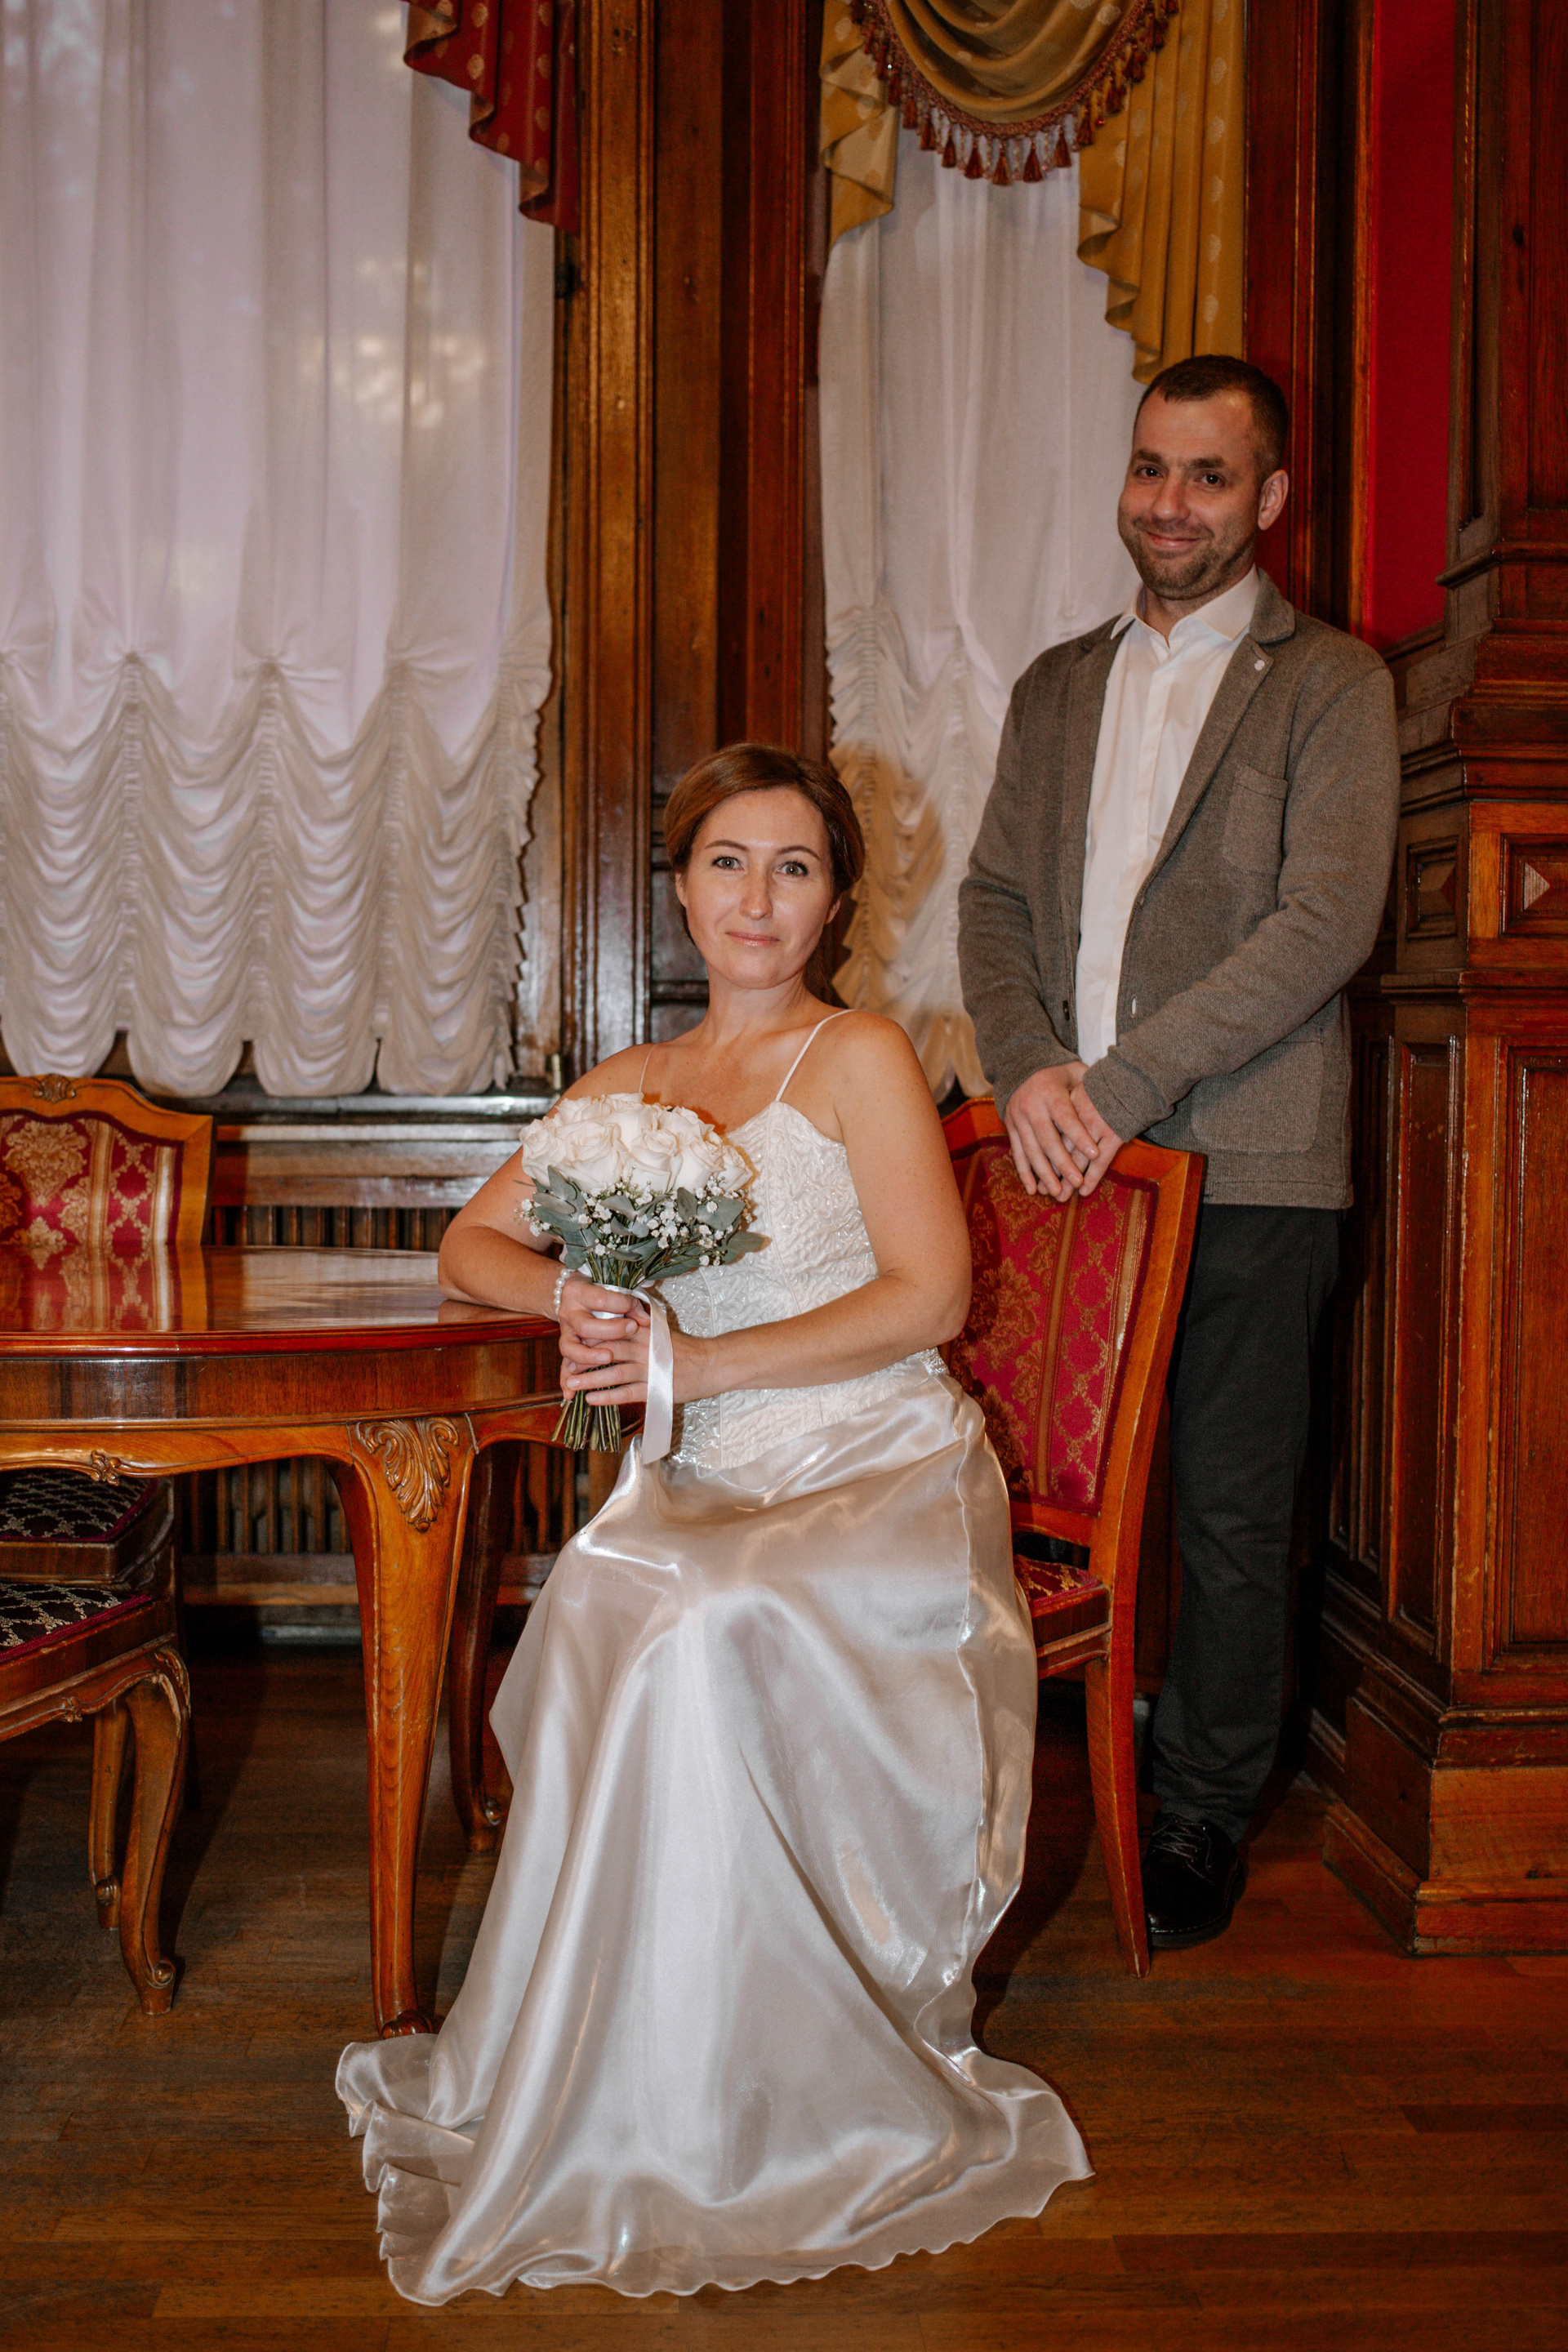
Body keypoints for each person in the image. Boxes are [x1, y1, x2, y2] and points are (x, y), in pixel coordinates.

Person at [336, 743, 1089, 2303]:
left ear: (834, 902)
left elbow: (931, 1299)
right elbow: (468, 1248)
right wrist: (576, 1296)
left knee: (688, 1612)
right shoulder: (630, 1091)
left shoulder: (861, 1055)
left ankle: (764, 2080)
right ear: (680, 891)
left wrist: (698, 1362)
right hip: (710, 1475)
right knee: (609, 1585)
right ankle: (616, 2049)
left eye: (795, 867)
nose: (759, 897)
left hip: (876, 1465)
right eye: (729, 863)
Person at [958, 355, 1400, 1954]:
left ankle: (1205, 1806)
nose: (1170, 502)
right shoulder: (1055, 685)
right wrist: (1029, 1074)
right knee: (1019, 1497)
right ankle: (1002, 1785)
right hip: (1061, 1167)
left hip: (1249, 1164)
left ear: (1267, 496)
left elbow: (1323, 924)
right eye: (1151, 467)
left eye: (1209, 475)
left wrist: (1121, 1086)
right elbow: (994, 904)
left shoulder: (1333, 682)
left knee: (1228, 1514)